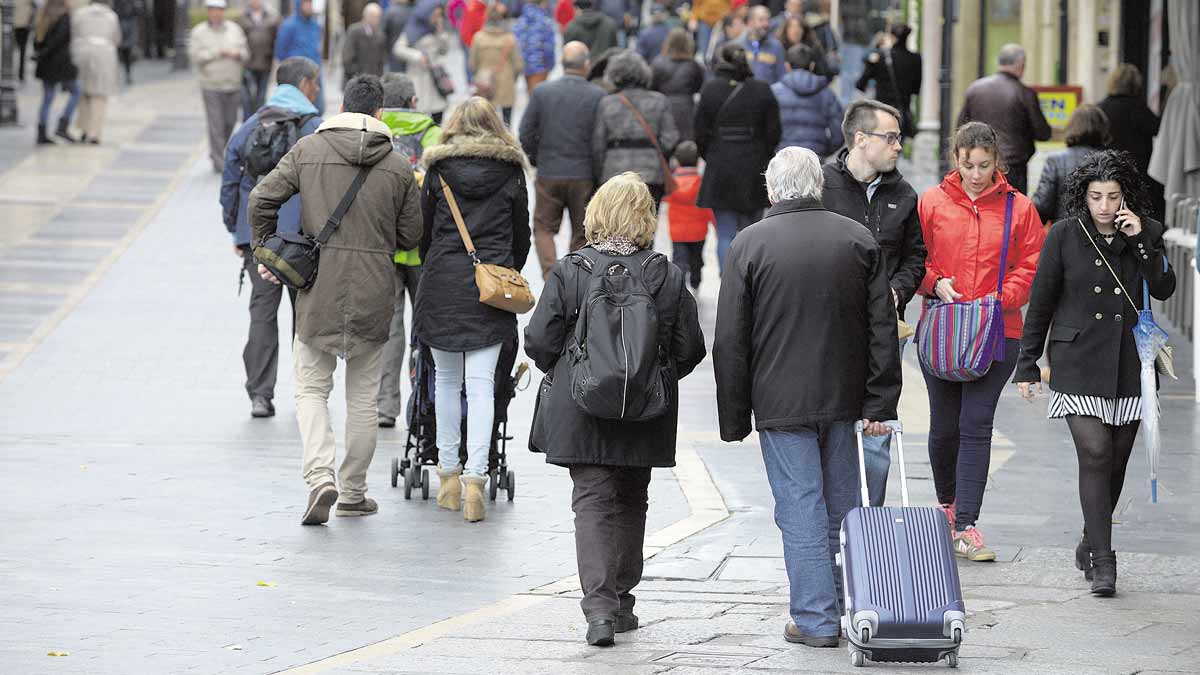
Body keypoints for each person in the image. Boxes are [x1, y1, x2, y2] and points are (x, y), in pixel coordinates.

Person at [713, 146, 901, 648]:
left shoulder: (749, 245)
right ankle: (844, 608)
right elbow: (883, 329)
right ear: (818, 185)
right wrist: (880, 403)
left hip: (780, 403)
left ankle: (817, 620)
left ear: (772, 189)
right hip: (844, 399)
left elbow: (731, 339)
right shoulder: (857, 239)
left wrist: (734, 418)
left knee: (800, 507)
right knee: (842, 507)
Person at [524, 172, 706, 647]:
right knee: (632, 498)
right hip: (646, 412)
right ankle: (622, 601)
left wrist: (572, 373)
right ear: (646, 217)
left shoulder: (572, 270)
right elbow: (690, 347)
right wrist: (650, 379)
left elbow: (539, 340)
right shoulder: (664, 273)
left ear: (596, 214)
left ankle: (600, 610)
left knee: (592, 502)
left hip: (583, 411)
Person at [249, 74, 423, 525]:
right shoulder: (399, 166)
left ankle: (319, 475)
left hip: (318, 285)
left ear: (341, 106)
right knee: (363, 397)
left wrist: (266, 247)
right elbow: (411, 235)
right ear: (380, 113)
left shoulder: (310, 150)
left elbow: (261, 197)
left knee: (310, 386)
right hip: (374, 287)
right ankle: (352, 491)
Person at [1014, 150, 1176, 597]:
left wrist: (1142, 239)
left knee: (1118, 459)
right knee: (1096, 453)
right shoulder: (1064, 235)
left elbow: (1164, 286)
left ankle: (1091, 537)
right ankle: (1105, 562)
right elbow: (1041, 301)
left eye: (1113, 197)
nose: (1104, 206)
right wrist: (1028, 363)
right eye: (1096, 196)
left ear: (1127, 197)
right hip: (1077, 361)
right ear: (1083, 196)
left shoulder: (1145, 233)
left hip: (1129, 364)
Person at [917, 122, 1045, 560]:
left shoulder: (1020, 208)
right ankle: (946, 508)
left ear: (997, 163)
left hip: (997, 331)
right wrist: (934, 283)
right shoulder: (931, 203)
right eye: (968, 165)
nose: (975, 174)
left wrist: (1001, 297)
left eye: (984, 165)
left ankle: (967, 524)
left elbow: (1031, 264)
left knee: (976, 424)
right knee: (943, 426)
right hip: (944, 330)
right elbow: (915, 258)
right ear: (956, 159)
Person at [414, 97, 531, 523]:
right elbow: (522, 237)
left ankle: (447, 478)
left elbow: (423, 233)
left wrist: (438, 261)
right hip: (491, 287)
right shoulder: (512, 172)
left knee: (445, 380)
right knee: (481, 387)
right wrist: (505, 269)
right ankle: (476, 482)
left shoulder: (438, 170)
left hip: (442, 281)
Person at [820, 100, 925, 505]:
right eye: (891, 137)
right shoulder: (822, 186)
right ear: (861, 139)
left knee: (877, 429)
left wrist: (898, 290)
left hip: (886, 331)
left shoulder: (903, 193)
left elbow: (916, 256)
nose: (899, 146)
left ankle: (868, 521)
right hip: (831, 331)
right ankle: (835, 520)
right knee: (832, 428)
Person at [221, 57, 322, 419]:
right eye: (316, 82)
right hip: (303, 239)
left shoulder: (250, 125)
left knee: (262, 312)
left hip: (258, 238)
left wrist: (237, 229)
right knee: (304, 314)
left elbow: (230, 179)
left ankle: (260, 395)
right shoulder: (314, 127)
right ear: (306, 84)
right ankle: (305, 391)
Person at [376, 72, 441, 428]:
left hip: (384, 247)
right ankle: (425, 400)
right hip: (424, 249)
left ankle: (386, 406)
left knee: (388, 330)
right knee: (427, 327)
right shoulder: (434, 135)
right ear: (414, 102)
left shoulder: (375, 134)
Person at [519, 41, 607, 277]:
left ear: (561, 63)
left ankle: (551, 277)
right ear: (587, 64)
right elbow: (601, 137)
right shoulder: (598, 95)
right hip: (584, 174)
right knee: (583, 231)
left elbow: (525, 133)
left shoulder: (542, 92)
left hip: (549, 172)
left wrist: (538, 160)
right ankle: (576, 278)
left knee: (543, 227)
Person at [694, 44, 781, 269]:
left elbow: (699, 133)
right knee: (753, 232)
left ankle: (727, 285)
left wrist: (712, 154)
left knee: (724, 234)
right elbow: (774, 133)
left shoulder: (711, 89)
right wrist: (762, 155)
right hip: (753, 165)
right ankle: (750, 282)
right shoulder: (762, 90)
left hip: (721, 165)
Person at [957, 44, 1051, 194]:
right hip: (1013, 166)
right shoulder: (1024, 93)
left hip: (978, 164)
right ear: (1020, 64)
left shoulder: (975, 89)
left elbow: (961, 127)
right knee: (1011, 211)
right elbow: (1043, 133)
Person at [592, 51, 679, 204]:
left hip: (614, 174)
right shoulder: (659, 101)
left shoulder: (607, 103)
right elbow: (670, 138)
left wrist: (598, 174)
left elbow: (598, 144)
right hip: (651, 174)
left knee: (617, 224)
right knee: (647, 224)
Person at [1098, 64, 1164, 223]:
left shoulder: (1101, 108)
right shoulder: (1139, 108)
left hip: (1107, 170)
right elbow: (1158, 128)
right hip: (1138, 172)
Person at [189, 0, 247, 172]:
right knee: (216, 124)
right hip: (211, 85)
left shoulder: (235, 30)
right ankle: (218, 161)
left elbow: (246, 53)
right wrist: (217, 53)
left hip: (233, 84)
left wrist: (238, 54)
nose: (216, 13)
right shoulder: (199, 32)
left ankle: (218, 153)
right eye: (213, 10)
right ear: (208, 11)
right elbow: (194, 56)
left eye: (219, 10)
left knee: (229, 122)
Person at [1033, 104, 1110, 224]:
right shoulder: (1111, 161)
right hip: (1102, 234)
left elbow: (1042, 206)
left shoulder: (1056, 160)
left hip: (1064, 233)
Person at [770, 44, 842, 156]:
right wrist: (824, 150)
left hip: (782, 156)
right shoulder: (826, 93)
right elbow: (838, 132)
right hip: (815, 155)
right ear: (812, 66)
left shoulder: (774, 92)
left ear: (787, 66)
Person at [854, 25, 920, 138]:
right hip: (901, 113)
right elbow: (915, 89)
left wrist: (870, 62)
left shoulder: (880, 57)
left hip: (882, 113)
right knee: (896, 147)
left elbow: (860, 84)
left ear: (892, 37)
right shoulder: (916, 59)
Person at [70, 0, 121, 146]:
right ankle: (95, 133)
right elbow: (116, 38)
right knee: (100, 95)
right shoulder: (111, 16)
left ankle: (84, 129)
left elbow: (74, 33)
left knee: (83, 93)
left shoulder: (79, 14)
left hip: (82, 52)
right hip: (104, 55)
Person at [392, 0, 451, 124]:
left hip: (435, 78)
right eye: (435, 14)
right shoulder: (412, 29)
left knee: (438, 114)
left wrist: (441, 32)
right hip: (417, 77)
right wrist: (417, 56)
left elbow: (444, 50)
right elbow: (398, 48)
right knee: (419, 113)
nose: (437, 18)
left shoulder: (437, 29)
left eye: (440, 15)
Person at [663, 141, 712, 289]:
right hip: (699, 231)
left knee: (679, 259)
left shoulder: (671, 184)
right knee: (696, 258)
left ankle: (679, 286)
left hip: (678, 232)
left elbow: (665, 199)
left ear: (676, 161)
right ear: (698, 161)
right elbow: (709, 208)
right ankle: (696, 280)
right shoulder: (701, 184)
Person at [33, 0, 81, 145]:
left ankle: (42, 132)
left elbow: (37, 42)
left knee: (47, 98)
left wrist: (41, 54)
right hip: (60, 64)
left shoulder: (43, 16)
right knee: (77, 91)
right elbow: (60, 40)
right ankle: (63, 125)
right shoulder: (64, 16)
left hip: (46, 64)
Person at [469, 4, 523, 124]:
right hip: (506, 82)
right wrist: (513, 78)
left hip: (485, 84)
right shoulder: (510, 38)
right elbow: (518, 64)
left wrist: (479, 74)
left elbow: (472, 64)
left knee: (486, 121)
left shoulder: (478, 38)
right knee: (507, 121)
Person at [650, 28, 705, 142]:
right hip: (686, 109)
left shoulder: (657, 63)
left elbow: (652, 86)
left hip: (663, 106)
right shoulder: (693, 65)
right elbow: (699, 86)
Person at [275, 0, 324, 114]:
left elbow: (317, 47)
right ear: (299, 5)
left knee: (319, 109)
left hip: (315, 74)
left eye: (310, 3)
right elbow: (280, 51)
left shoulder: (315, 25)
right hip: (297, 77)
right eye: (306, 3)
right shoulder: (289, 25)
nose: (309, 6)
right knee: (298, 112)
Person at [237, 0, 279, 118]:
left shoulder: (272, 17)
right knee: (247, 98)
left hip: (265, 63)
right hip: (248, 64)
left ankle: (258, 121)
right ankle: (247, 122)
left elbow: (277, 39)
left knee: (261, 97)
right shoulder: (242, 18)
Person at [513, 0, 556, 92]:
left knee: (530, 93)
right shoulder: (545, 22)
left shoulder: (520, 22)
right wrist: (551, 65)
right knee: (539, 97)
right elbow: (549, 48)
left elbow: (516, 44)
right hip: (541, 65)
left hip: (525, 66)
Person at [734, 6, 784, 84]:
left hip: (768, 94)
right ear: (750, 22)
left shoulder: (776, 46)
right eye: (761, 20)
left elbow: (781, 76)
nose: (766, 24)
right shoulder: (737, 45)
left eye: (768, 20)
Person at [343, 2, 386, 85]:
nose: (377, 20)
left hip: (373, 83)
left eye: (379, 17)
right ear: (366, 16)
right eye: (375, 17)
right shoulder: (354, 31)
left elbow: (381, 60)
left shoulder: (380, 34)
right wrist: (358, 77)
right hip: (354, 81)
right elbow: (347, 58)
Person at [112, 0, 141, 85]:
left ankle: (126, 75)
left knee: (124, 54)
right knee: (122, 55)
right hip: (120, 27)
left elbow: (137, 12)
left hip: (124, 27)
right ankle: (124, 76)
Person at [383, 0, 413, 72]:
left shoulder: (390, 12)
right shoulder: (414, 11)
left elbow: (383, 34)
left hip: (393, 56)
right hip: (410, 55)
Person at [14, 0, 35, 83]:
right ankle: (20, 74)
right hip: (23, 25)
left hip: (18, 25)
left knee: (20, 49)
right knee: (22, 50)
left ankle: (20, 73)